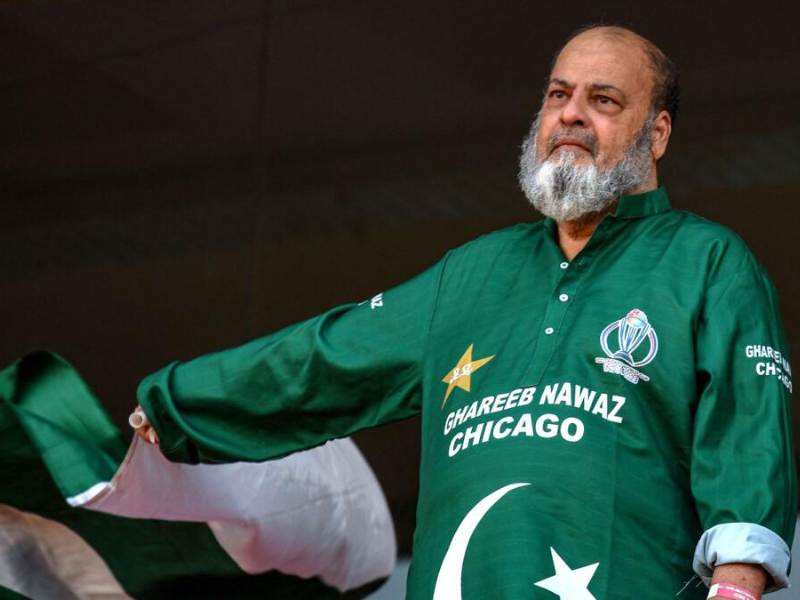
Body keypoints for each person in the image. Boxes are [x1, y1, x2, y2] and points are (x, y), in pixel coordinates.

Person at [133, 25, 796, 600]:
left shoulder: (705, 259)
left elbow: (747, 434)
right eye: (557, 95)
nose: (569, 115)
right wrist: (176, 404)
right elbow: (323, 358)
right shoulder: (469, 275)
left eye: (603, 100)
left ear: (657, 133)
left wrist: (736, 585)